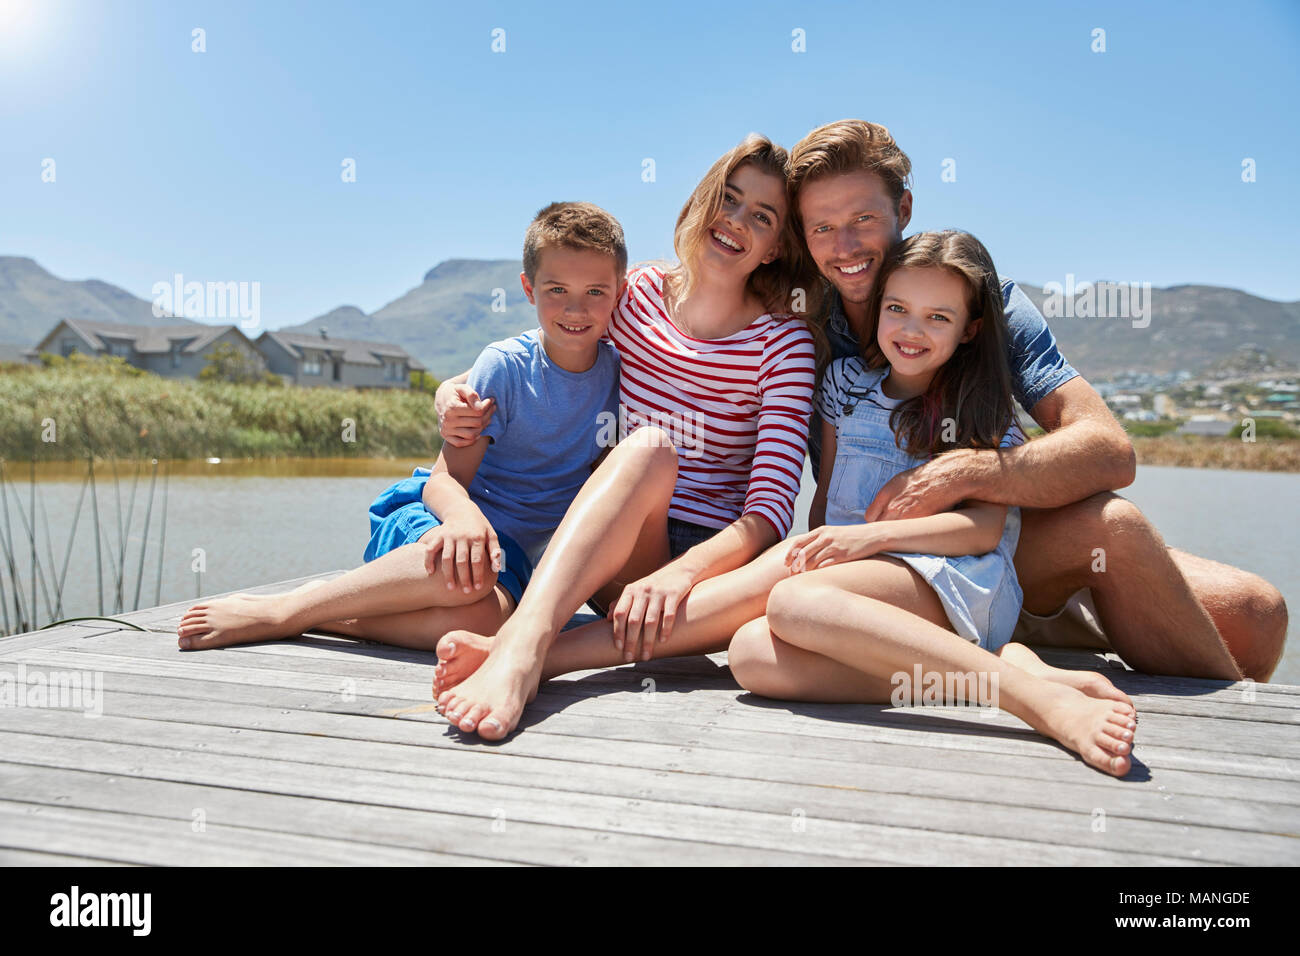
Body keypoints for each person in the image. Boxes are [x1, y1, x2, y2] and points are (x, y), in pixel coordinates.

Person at [782, 120, 1285, 682]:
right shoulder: (795, 315)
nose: (845, 246)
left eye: (864, 219)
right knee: (1114, 531)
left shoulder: (983, 300)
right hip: (874, 560)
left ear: (903, 211)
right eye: (822, 227)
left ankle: (1234, 748)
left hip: (991, 545)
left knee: (1256, 614)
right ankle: (1018, 656)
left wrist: (965, 472)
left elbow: (1109, 450)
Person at [431, 133, 822, 739]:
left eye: (762, 216)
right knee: (647, 448)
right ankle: (529, 639)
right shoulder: (637, 295)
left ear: (775, 247)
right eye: (730, 197)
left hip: (704, 574)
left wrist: (682, 572)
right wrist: (452, 387)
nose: (737, 220)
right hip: (615, 538)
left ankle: (524, 652)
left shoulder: (783, 345)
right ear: (702, 202)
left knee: (789, 575)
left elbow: (770, 510)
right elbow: (558, 338)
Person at [730, 230, 1136, 777]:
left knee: (792, 603)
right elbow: (826, 499)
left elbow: (981, 532)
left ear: (969, 330)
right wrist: (838, 547)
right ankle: (995, 672)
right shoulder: (848, 387)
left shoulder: (980, 415)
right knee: (753, 656)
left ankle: (1034, 702)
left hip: (956, 581)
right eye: (897, 308)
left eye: (938, 318)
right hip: (878, 586)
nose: (912, 330)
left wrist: (874, 537)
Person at [175, 201, 625, 652]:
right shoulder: (504, 367)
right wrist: (463, 517)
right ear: (528, 289)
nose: (575, 309)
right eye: (557, 290)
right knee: (469, 576)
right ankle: (283, 610)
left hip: (509, 562)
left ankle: (332, 620)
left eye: (595, 292)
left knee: (485, 623)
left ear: (619, 291)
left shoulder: (622, 373)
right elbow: (444, 480)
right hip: (438, 520)